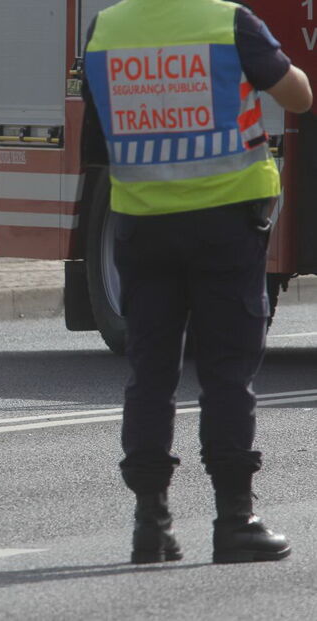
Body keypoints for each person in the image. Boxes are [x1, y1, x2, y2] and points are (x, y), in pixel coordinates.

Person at [82, 0, 313, 564]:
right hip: (225, 225)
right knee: (226, 373)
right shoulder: (228, 22)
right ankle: (235, 521)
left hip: (142, 227)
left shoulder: (106, 29)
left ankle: (150, 523)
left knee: (151, 373)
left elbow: (97, 139)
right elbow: (299, 96)